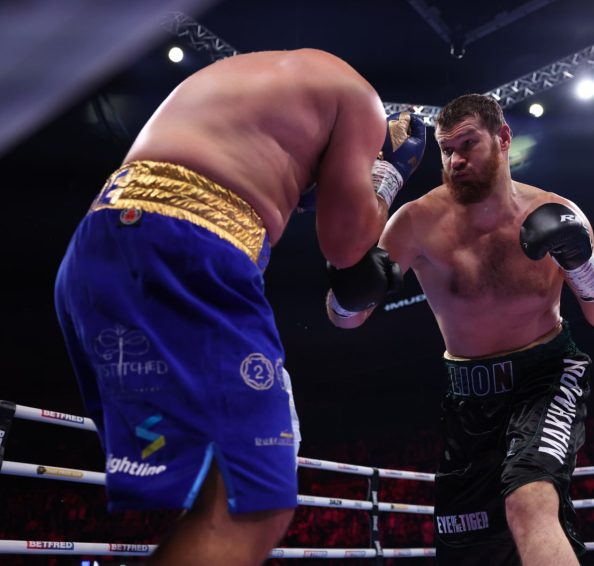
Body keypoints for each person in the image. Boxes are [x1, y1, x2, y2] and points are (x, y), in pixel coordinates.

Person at [54, 48, 426, 566]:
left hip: (98, 250)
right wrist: (387, 176)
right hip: (187, 249)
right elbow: (346, 250)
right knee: (253, 501)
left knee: (215, 490)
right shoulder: (360, 101)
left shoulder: (254, 82)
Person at [326, 93, 594, 565]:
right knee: (471, 549)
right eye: (447, 150)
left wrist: (581, 260)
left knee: (529, 501)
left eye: (468, 144)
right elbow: (346, 318)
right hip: (466, 397)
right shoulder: (417, 221)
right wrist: (349, 291)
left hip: (546, 376)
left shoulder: (553, 209)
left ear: (503, 138)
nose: (456, 160)